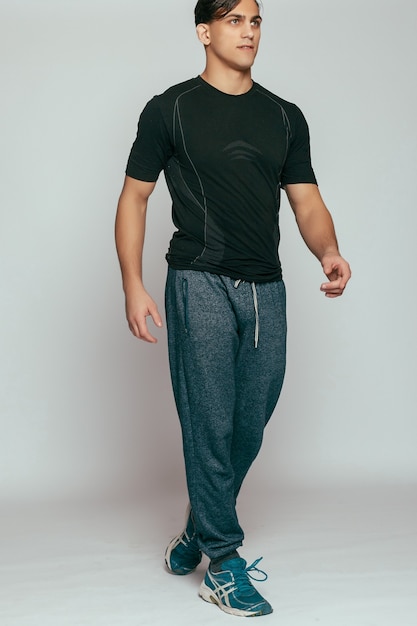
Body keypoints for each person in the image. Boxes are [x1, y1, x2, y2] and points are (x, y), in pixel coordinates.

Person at [115, 0, 351, 618]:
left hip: (266, 286)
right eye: (233, 20)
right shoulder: (170, 108)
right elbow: (135, 198)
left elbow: (306, 199)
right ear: (205, 31)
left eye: (255, 21)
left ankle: (197, 527)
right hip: (198, 280)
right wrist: (132, 285)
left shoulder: (284, 115)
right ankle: (222, 559)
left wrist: (328, 250)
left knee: (251, 420)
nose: (247, 32)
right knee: (210, 421)